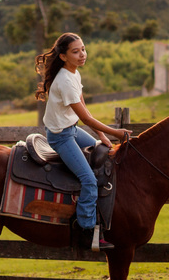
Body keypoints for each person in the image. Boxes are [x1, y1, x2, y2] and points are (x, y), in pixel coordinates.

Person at [35, 33, 130, 251]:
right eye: (75, 51)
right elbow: (86, 117)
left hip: (73, 129)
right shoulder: (65, 81)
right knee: (87, 180)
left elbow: (84, 110)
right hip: (61, 136)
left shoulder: (73, 74)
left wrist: (103, 136)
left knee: (104, 151)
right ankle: (86, 232)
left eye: (83, 49)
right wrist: (115, 133)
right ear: (63, 56)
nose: (82, 55)